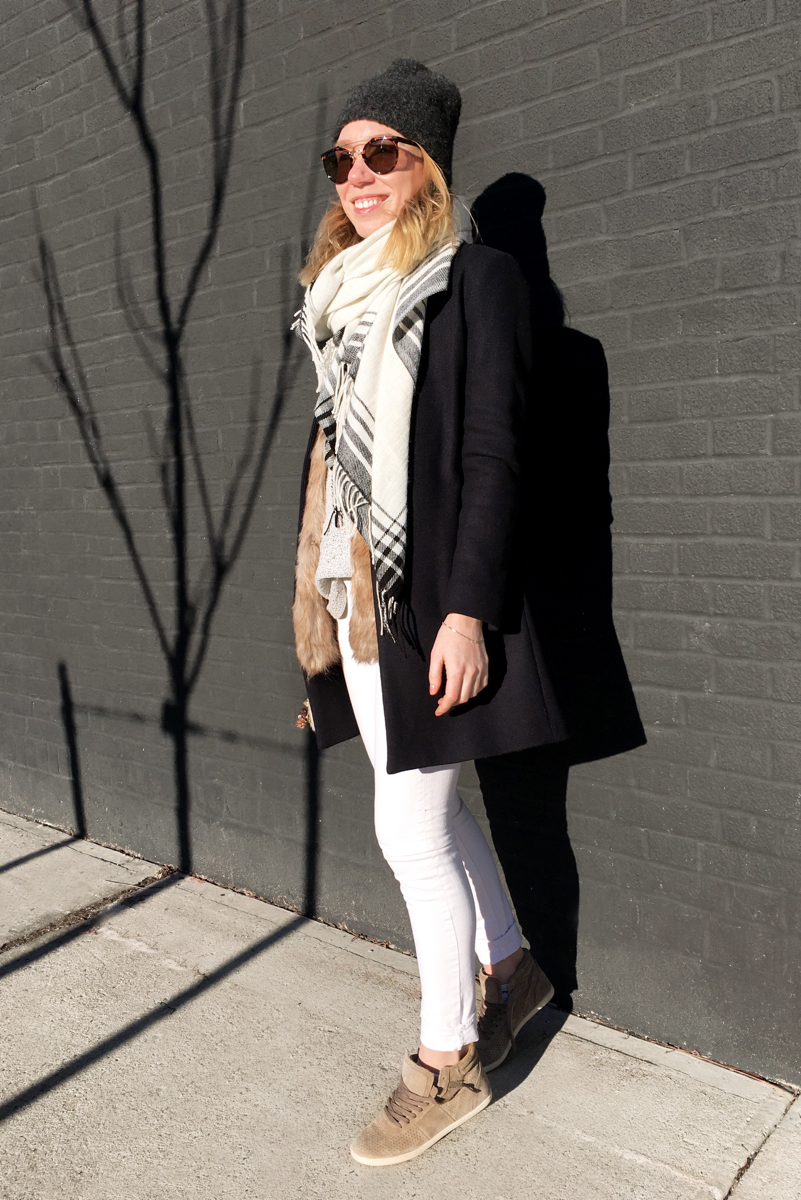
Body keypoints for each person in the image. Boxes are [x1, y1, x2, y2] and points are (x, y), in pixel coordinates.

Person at [292, 59, 645, 1167]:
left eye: (380, 153)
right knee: (429, 821)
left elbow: (495, 456)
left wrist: (464, 613)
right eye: (342, 158)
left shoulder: (476, 281)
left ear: (424, 164)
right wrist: (315, 635)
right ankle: (515, 968)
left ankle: (448, 1062)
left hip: (427, 604)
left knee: (407, 830)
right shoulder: (334, 303)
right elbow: (333, 479)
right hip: (355, 602)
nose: (358, 174)